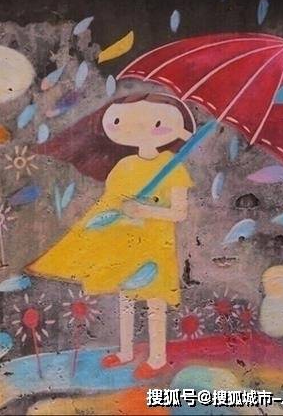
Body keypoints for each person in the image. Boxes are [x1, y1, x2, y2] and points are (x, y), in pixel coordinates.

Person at [27, 92, 195, 379]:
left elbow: (180, 212)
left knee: (154, 302)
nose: (142, 129)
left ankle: (157, 358)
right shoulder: (124, 166)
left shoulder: (172, 166)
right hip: (124, 244)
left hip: (155, 246)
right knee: (125, 298)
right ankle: (125, 352)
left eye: (155, 122)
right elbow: (109, 207)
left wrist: (145, 210)